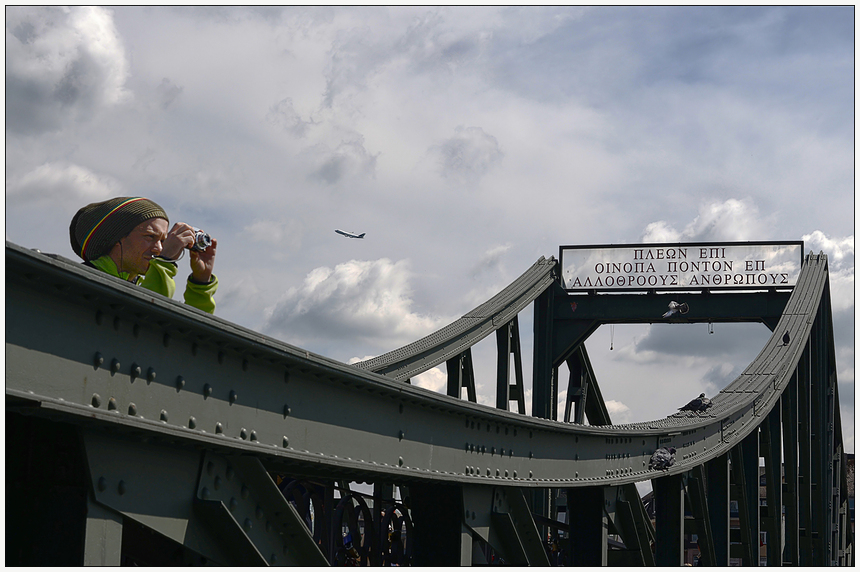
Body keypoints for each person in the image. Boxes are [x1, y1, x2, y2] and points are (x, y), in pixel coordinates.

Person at [70, 196, 218, 314]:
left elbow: (190, 337)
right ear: (116, 238)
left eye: (163, 241)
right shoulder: (80, 283)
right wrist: (165, 261)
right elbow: (140, 319)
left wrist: (201, 282)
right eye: (150, 237)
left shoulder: (144, 288)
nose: (159, 249)